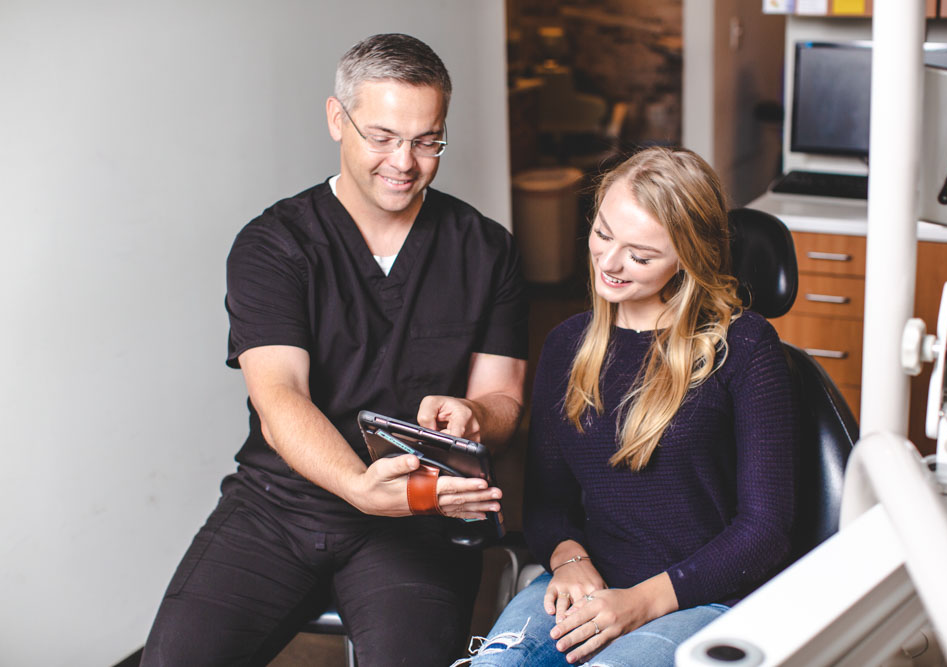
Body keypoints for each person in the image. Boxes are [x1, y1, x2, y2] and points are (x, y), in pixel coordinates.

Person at [141, 33, 527, 667]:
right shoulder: (274, 245)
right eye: (381, 136)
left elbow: (504, 398)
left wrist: (477, 416)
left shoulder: (486, 250)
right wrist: (355, 484)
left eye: (427, 141)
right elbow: (279, 396)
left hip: (417, 512)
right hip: (277, 506)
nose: (404, 161)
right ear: (335, 119)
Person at [456, 147, 797, 666]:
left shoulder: (745, 347)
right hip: (592, 580)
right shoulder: (567, 344)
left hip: (705, 594)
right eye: (603, 234)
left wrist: (639, 604)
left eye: (640, 255)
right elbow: (549, 506)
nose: (610, 263)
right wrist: (568, 559)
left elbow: (764, 532)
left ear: (688, 258)